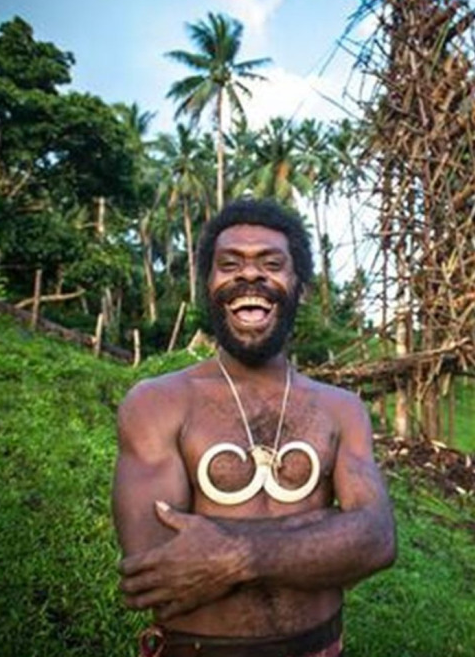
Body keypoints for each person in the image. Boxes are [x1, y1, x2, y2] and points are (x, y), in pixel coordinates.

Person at [113, 198, 396, 657]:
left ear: (298, 286)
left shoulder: (342, 409)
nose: (249, 275)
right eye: (229, 264)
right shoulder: (157, 402)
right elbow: (157, 570)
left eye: (271, 263)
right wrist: (328, 528)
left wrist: (235, 552)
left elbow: (376, 539)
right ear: (209, 285)